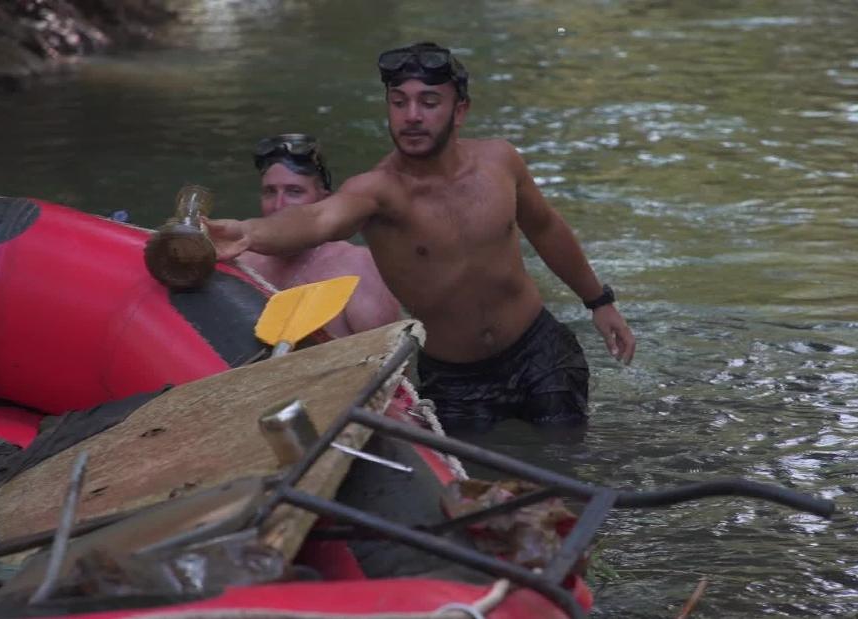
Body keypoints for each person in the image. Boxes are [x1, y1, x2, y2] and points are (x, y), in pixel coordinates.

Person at [206, 43, 635, 432]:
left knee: (567, 465)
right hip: (454, 378)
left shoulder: (500, 162)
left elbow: (545, 228)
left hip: (539, 351)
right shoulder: (377, 191)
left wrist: (599, 302)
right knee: (480, 488)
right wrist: (249, 232)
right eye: (399, 102)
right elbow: (317, 220)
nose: (411, 116)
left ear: (459, 111)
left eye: (429, 102)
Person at [237, 133, 400, 338]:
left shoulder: (358, 269)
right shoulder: (243, 262)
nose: (278, 205)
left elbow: (392, 356)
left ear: (323, 201)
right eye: (270, 192)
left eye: (294, 191)